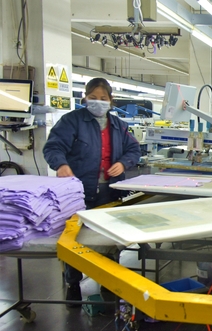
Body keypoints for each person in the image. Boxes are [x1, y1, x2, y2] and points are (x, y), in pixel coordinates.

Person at [43, 77, 141, 307]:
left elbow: (134, 149)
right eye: (93, 98)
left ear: (111, 101)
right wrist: (61, 165)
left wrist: (124, 163)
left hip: (110, 190)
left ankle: (108, 282)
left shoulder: (119, 125)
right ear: (85, 98)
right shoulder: (71, 122)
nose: (98, 103)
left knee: (109, 238)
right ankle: (73, 283)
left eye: (103, 99)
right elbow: (53, 147)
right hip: (78, 191)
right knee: (75, 240)